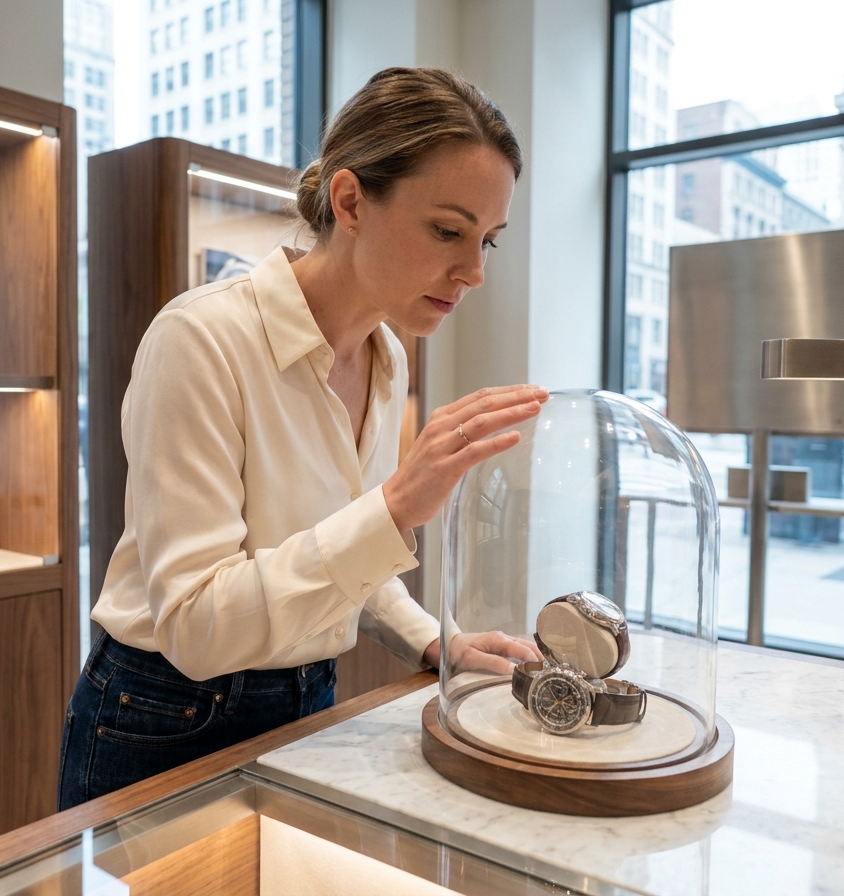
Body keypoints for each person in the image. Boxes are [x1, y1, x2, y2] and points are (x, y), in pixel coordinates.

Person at [58, 67, 546, 810]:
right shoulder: (202, 339)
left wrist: (431, 638)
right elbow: (197, 627)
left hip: (312, 693)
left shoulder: (388, 357)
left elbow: (344, 553)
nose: (473, 271)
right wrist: (393, 508)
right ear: (350, 201)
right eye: (448, 231)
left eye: (488, 240)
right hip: (165, 713)